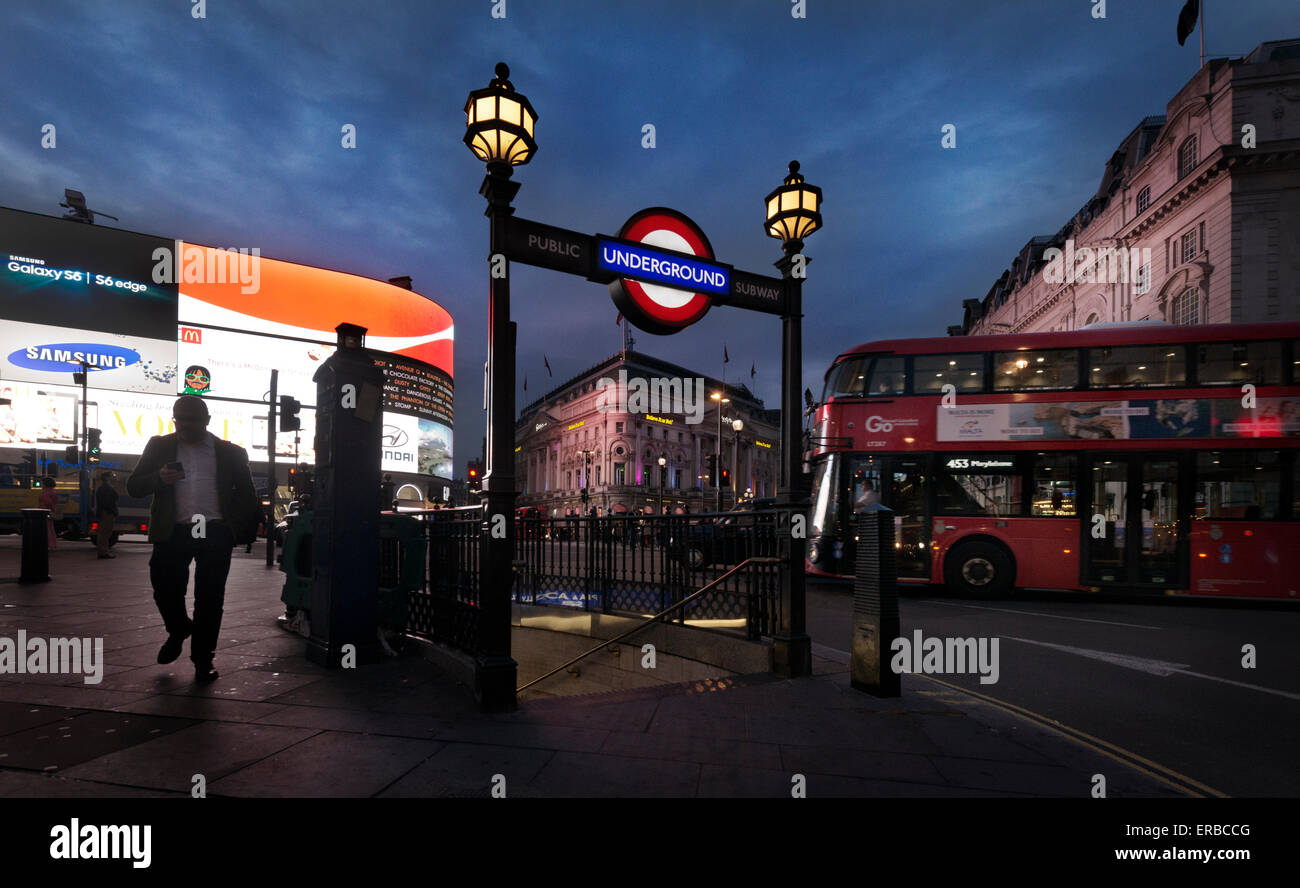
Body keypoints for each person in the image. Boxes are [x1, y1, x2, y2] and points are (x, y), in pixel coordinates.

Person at [127, 395, 261, 683]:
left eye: (194, 420)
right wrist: (158, 479)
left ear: (208, 420)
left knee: (210, 599)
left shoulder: (231, 452)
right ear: (174, 419)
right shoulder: (159, 446)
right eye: (181, 420)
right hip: (173, 530)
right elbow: (134, 486)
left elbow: (248, 496)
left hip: (214, 531)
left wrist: (231, 528)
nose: (186, 425)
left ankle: (203, 659)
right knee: (164, 589)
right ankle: (178, 629)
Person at [95, 472, 119, 559]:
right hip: (107, 513)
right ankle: (103, 552)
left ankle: (103, 551)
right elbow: (108, 502)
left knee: (105, 533)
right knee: (105, 533)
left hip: (106, 512)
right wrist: (112, 511)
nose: (114, 477)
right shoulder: (106, 488)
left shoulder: (105, 487)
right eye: (113, 476)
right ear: (107, 477)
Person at [38, 476, 59, 550]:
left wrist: (44, 507)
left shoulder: (46, 492)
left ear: (45, 484)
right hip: (51, 512)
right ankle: (53, 544)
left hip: (45, 512)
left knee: (46, 529)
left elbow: (47, 502)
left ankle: (49, 544)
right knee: (51, 529)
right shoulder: (53, 491)